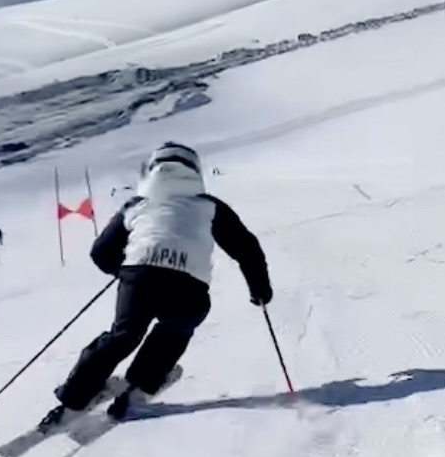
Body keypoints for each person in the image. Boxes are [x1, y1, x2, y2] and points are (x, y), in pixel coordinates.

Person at [42, 141, 273, 426]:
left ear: (151, 172)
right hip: (189, 286)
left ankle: (74, 399)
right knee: (177, 328)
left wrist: (127, 271)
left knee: (122, 337)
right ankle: (139, 386)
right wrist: (259, 289)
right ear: (195, 171)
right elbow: (246, 248)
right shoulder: (210, 206)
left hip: (139, 280)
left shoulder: (137, 204)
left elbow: (100, 252)